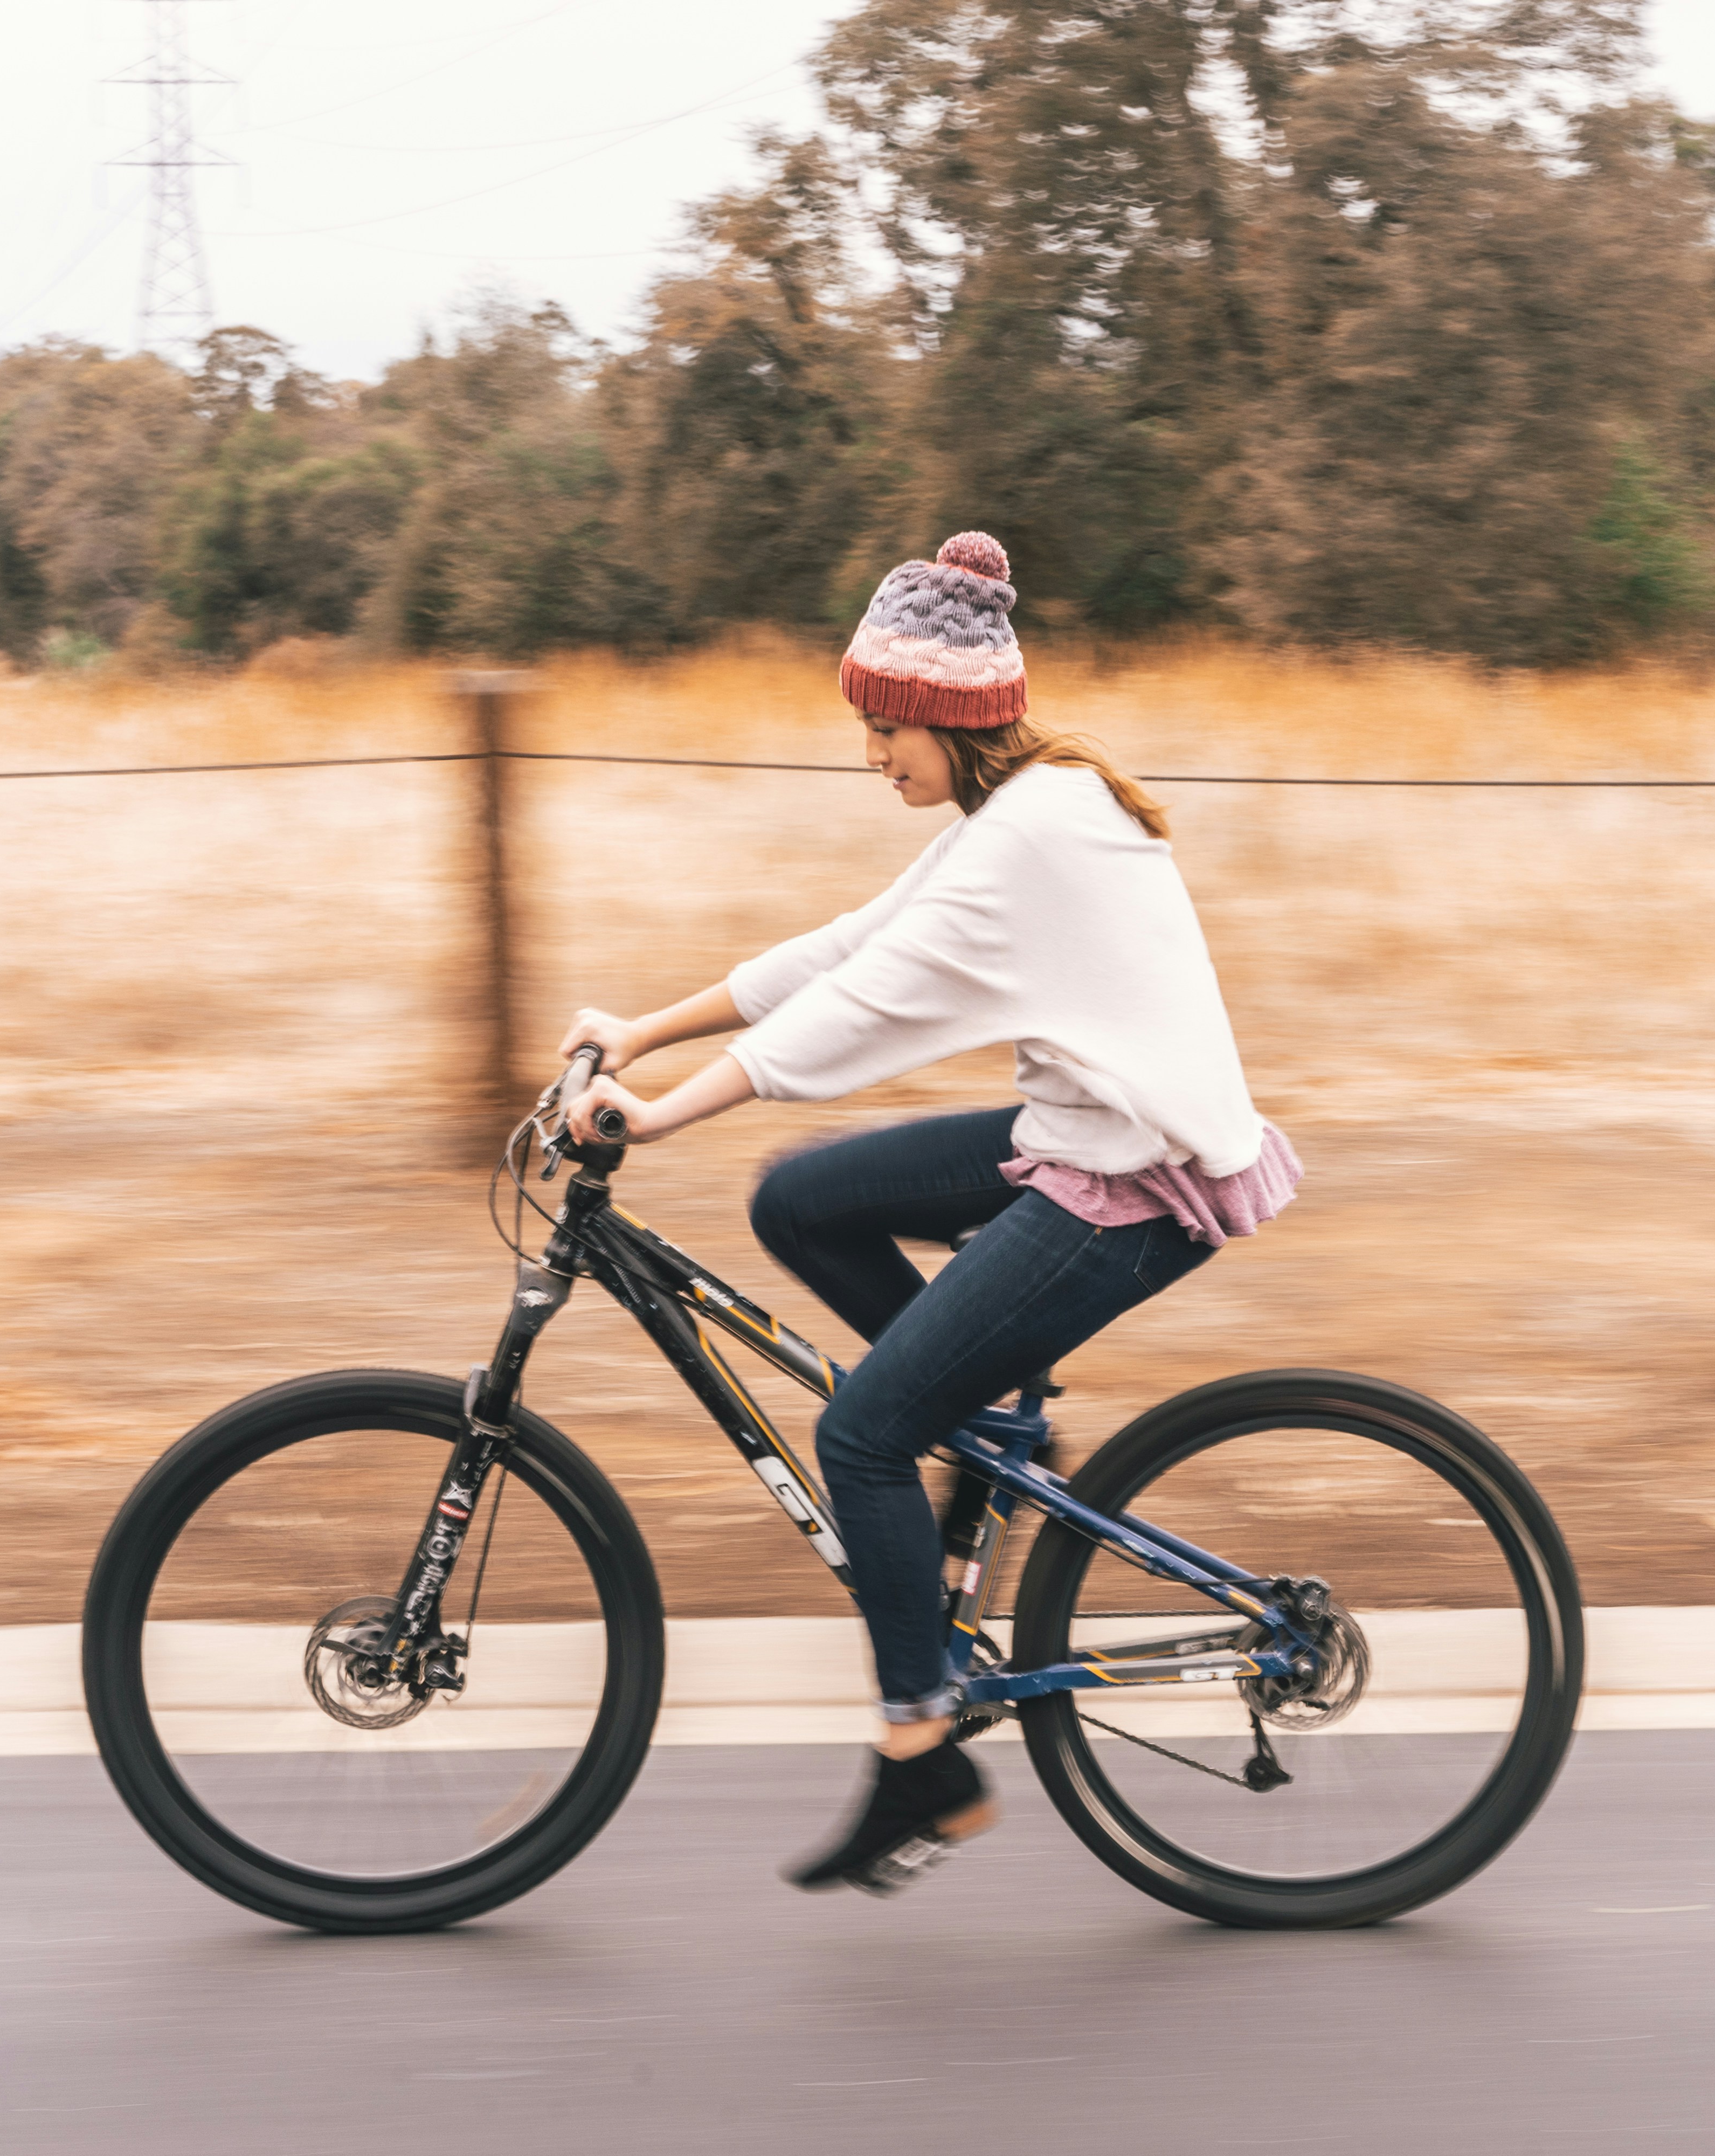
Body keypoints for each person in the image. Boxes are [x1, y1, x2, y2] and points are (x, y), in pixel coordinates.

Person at [557, 530, 1301, 1897]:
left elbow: (863, 1010)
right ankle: (973, 1409)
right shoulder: (1016, 810)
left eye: (884, 725)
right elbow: (850, 947)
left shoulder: (1033, 834)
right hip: (1082, 1134)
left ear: (952, 717)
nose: (871, 753)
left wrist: (660, 1113)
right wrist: (642, 1028)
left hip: (1125, 1185)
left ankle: (924, 1756)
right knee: (802, 1198)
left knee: (861, 1434)